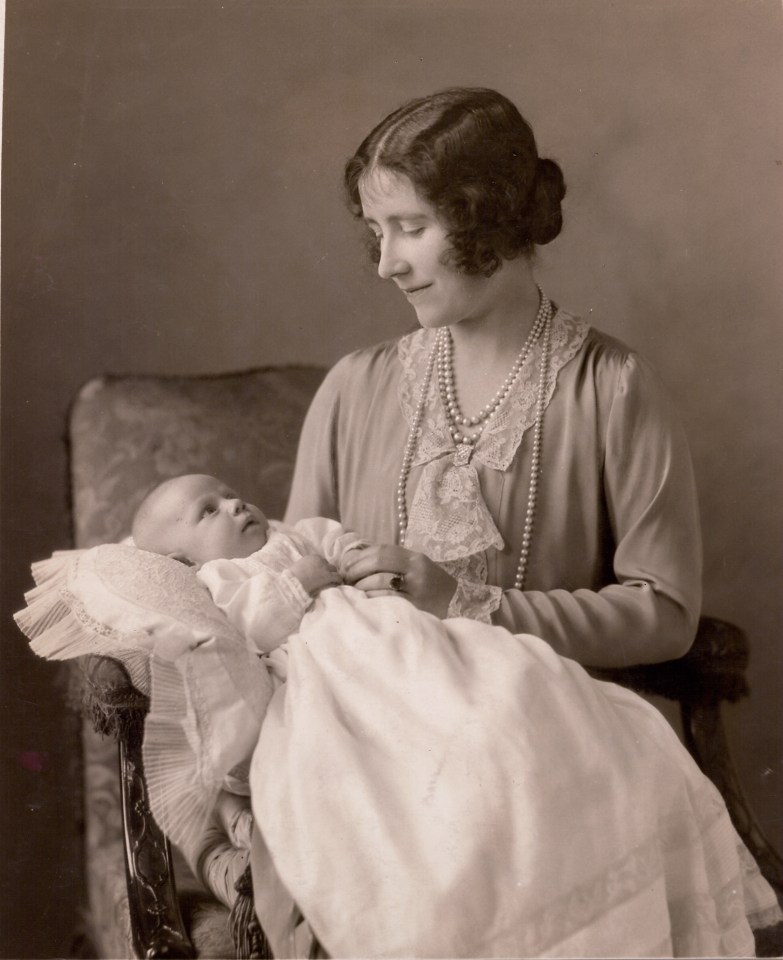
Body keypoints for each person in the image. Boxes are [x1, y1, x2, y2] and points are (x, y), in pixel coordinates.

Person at [285, 86, 702, 669]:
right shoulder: (351, 389)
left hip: (541, 723)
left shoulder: (615, 389)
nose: (387, 264)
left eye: (412, 227)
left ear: (489, 219)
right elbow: (287, 578)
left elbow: (666, 613)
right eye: (379, 232)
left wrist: (470, 604)